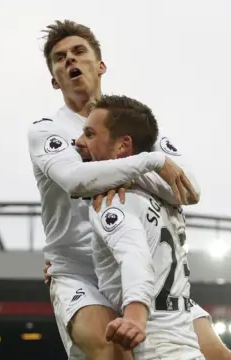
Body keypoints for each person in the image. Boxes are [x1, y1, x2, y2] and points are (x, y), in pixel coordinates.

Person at [29, 20, 231, 360]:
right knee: (111, 349)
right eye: (59, 58)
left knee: (219, 355)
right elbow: (74, 179)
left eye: (79, 52)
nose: (70, 60)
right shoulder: (45, 130)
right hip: (80, 272)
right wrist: (148, 164)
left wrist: (135, 173)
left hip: (142, 264)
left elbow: (188, 190)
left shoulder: (131, 123)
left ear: (101, 65)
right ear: (54, 79)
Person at [82, 94, 205, 360]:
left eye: (90, 134)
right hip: (189, 350)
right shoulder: (168, 203)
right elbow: (190, 191)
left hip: (153, 351)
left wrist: (135, 317)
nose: (80, 143)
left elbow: (135, 258)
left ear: (123, 146)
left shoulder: (113, 201)